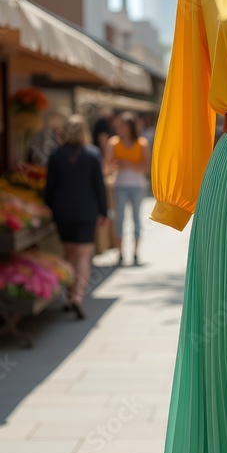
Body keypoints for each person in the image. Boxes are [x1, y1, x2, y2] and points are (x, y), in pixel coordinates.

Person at [44, 114, 108, 319]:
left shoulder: (55, 154)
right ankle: (78, 296)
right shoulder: (92, 154)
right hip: (86, 210)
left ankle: (68, 294)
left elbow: (50, 188)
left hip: (63, 211)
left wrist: (49, 208)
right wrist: (104, 211)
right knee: (83, 254)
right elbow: (99, 185)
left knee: (69, 253)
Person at [104, 110, 151, 265]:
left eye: (123, 126)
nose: (120, 129)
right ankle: (120, 253)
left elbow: (147, 167)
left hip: (138, 186)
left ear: (131, 127)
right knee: (120, 220)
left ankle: (136, 253)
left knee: (137, 219)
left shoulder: (142, 143)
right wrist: (115, 165)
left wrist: (129, 164)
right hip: (120, 185)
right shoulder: (113, 143)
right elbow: (106, 167)